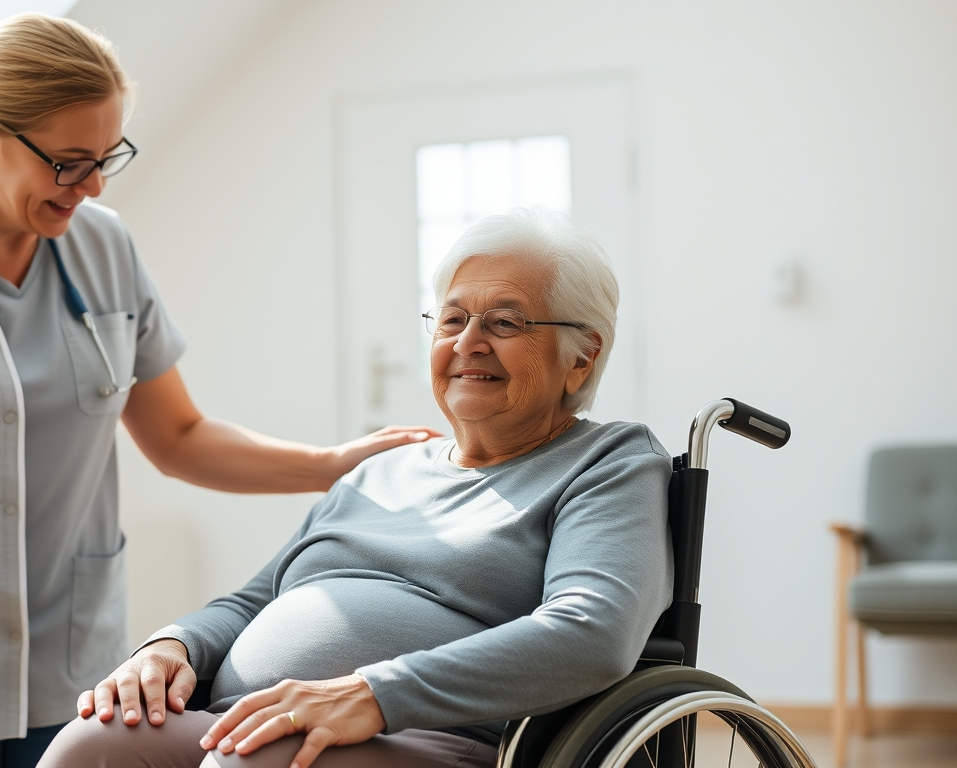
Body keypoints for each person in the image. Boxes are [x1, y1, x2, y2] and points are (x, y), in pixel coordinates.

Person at [0, 14, 431, 768]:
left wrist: (332, 464)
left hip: (74, 662)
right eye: (70, 163)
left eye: (108, 158)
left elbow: (177, 437)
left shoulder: (105, 245)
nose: (94, 185)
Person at [40, 208, 675, 768]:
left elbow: (592, 631)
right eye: (452, 319)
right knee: (90, 745)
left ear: (582, 357)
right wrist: (170, 645)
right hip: (253, 719)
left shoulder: (607, 462)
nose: (468, 343)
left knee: (257, 762)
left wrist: (373, 692)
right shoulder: (383, 469)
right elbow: (253, 601)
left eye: (505, 324)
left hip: (436, 735)